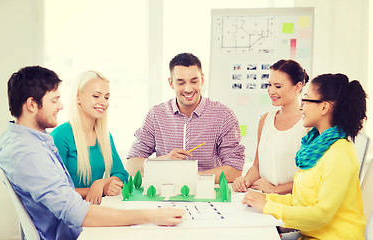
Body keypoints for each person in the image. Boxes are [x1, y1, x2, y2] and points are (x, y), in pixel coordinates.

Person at [0, 66, 184, 240]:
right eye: (54, 100)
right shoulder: (27, 152)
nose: (61, 106)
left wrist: (103, 185)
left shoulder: (30, 141)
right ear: (31, 104)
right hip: (71, 233)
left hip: (75, 228)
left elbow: (116, 176)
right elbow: (74, 211)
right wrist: (150, 216)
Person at [243, 73, 366, 239]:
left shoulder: (340, 153)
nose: (301, 107)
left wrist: (268, 206)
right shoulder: (315, 147)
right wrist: (266, 199)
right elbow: (301, 202)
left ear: (324, 107)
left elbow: (320, 215)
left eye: (306, 99)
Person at [126, 53, 245, 183]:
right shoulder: (156, 115)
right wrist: (165, 160)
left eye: (194, 81)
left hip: (208, 194)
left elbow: (235, 169)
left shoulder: (224, 116)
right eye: (181, 82)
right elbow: (132, 166)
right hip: (165, 193)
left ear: (202, 80)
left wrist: (191, 177)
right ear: (171, 83)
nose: (188, 89)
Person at [51, 71, 128, 205]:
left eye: (106, 97)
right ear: (78, 97)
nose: (103, 102)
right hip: (69, 211)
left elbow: (122, 175)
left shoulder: (105, 136)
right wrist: (97, 189)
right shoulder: (60, 136)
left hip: (94, 208)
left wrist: (101, 183)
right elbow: (55, 190)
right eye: (96, 96)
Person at [232, 59, 309, 194]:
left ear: (298, 87)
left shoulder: (308, 125)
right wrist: (245, 182)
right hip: (264, 200)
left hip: (292, 204)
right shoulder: (265, 120)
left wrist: (275, 190)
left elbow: (309, 177)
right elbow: (257, 166)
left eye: (278, 86)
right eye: (269, 85)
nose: (271, 91)